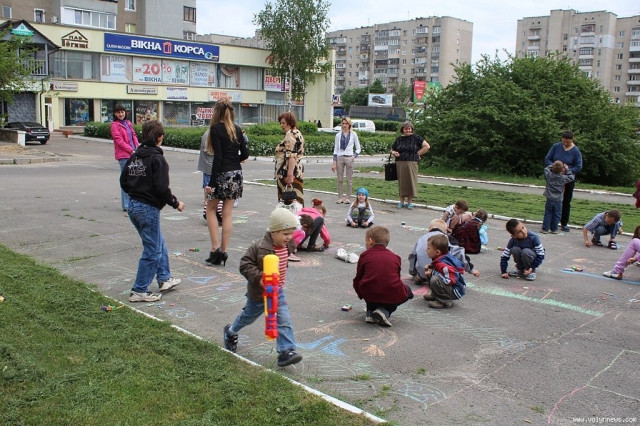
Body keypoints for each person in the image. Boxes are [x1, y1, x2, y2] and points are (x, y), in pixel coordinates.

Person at [223, 208, 303, 367]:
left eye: (291, 233)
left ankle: (286, 351)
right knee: (248, 317)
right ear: (273, 231)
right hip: (259, 293)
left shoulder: (288, 244)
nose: (289, 237)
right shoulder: (258, 247)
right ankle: (231, 331)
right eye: (285, 234)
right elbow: (244, 265)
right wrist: (260, 278)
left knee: (284, 319)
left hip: (277, 291)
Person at [120, 120, 184, 302]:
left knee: (158, 241)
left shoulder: (135, 157)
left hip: (134, 206)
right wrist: (175, 203)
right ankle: (139, 290)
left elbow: (123, 181)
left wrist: (136, 193)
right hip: (146, 208)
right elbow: (162, 188)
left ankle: (164, 278)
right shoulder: (157, 159)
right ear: (160, 137)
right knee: (153, 250)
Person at [204, 100, 249, 266]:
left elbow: (218, 157)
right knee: (227, 213)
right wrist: (235, 160)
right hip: (236, 174)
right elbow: (245, 153)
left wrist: (211, 183)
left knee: (210, 209)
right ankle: (223, 251)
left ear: (217, 112)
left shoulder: (216, 129)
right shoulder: (237, 129)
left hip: (222, 173)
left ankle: (215, 249)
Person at [352, 225, 414, 326]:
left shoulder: (365, 255)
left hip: (369, 292)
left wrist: (361, 294)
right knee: (408, 291)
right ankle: (385, 311)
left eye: (366, 242)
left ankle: (370, 312)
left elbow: (358, 278)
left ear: (370, 241)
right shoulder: (395, 257)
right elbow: (396, 279)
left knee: (369, 285)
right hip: (390, 291)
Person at [409, 219, 479, 284]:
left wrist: (413, 273)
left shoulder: (421, 239)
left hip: (422, 272)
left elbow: (413, 256)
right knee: (451, 257)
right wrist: (471, 270)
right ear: (445, 231)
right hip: (438, 274)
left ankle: (421, 277)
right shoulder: (445, 239)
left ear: (429, 229)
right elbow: (460, 255)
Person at [544, 131, 583, 232]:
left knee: (566, 200)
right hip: (554, 176)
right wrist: (554, 168)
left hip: (567, 179)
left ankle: (564, 223)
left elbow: (578, 166)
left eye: (568, 142)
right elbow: (547, 159)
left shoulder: (576, 151)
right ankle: (549, 224)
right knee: (551, 201)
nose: (565, 144)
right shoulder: (556, 146)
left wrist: (566, 171)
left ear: (572, 140)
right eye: (564, 141)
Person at [390, 121, 430, 209]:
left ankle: (410, 202)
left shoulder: (416, 138)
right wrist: (394, 152)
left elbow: (427, 146)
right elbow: (392, 149)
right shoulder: (399, 139)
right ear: (402, 130)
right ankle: (401, 202)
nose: (408, 130)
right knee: (402, 183)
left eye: (409, 129)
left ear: (412, 129)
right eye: (406, 129)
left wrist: (418, 154)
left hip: (412, 162)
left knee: (411, 182)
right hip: (400, 162)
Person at [422, 233, 466, 309]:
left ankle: (444, 301)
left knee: (434, 279)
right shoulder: (441, 258)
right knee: (431, 273)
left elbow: (449, 280)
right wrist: (431, 267)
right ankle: (435, 295)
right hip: (451, 287)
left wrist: (432, 272)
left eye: (428, 248)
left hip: (455, 290)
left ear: (437, 252)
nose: (426, 250)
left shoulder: (443, 264)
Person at [111, 103, 139, 211]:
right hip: (124, 155)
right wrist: (130, 150)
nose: (121, 114)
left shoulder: (128, 123)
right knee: (126, 180)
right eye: (118, 112)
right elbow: (119, 141)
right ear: (115, 114)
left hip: (133, 153)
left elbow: (133, 135)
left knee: (134, 180)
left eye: (122, 112)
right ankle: (126, 205)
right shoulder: (115, 125)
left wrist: (137, 146)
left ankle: (132, 203)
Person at [275, 111, 305, 206]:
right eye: (280, 123)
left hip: (287, 173)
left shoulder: (290, 135)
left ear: (290, 122)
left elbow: (292, 156)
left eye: (283, 123)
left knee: (288, 203)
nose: (281, 125)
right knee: (297, 202)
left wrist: (289, 175)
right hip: (297, 171)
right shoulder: (297, 132)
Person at [332, 117, 361, 204]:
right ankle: (340, 197)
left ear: (349, 125)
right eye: (343, 123)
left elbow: (358, 148)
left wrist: (354, 156)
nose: (344, 125)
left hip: (349, 157)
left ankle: (348, 198)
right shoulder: (338, 135)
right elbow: (336, 149)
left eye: (346, 124)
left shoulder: (353, 134)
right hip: (340, 157)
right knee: (340, 179)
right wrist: (334, 162)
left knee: (349, 179)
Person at [197, 129, 222, 225]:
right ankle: (209, 212)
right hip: (210, 166)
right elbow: (210, 151)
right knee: (212, 191)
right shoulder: (211, 134)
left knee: (209, 190)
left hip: (210, 166)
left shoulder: (210, 132)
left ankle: (209, 210)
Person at [542, 160, 574, 233]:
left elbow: (546, 169)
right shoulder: (563, 178)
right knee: (557, 214)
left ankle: (545, 228)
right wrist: (567, 169)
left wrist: (552, 166)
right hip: (558, 199)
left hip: (549, 198)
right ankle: (554, 229)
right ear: (562, 169)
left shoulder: (549, 175)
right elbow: (571, 177)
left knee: (548, 213)